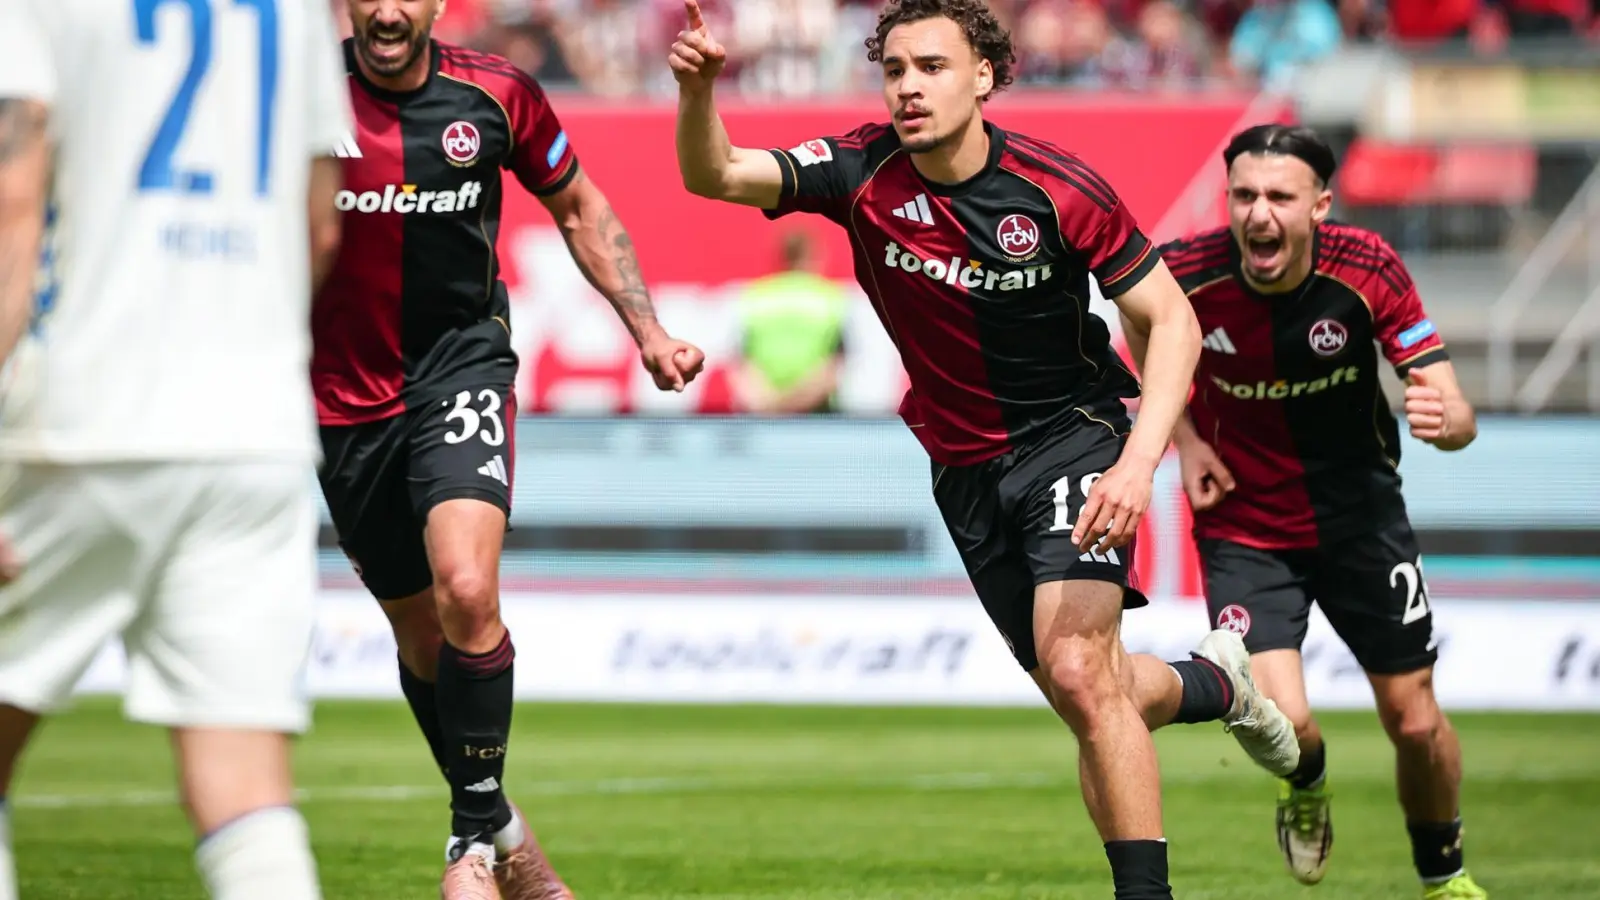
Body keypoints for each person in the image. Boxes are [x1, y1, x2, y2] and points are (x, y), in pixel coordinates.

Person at [669, 2, 1301, 897]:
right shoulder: (858, 170)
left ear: (984, 77)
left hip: (1074, 438)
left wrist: (1138, 461)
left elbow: (1173, 320)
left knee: (1081, 673)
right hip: (964, 469)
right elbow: (716, 173)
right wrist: (699, 91)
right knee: (1094, 692)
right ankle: (1217, 684)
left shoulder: (1057, 189)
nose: (908, 87)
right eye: (894, 69)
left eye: (931, 67)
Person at [317, 1, 706, 897]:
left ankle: (470, 844)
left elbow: (578, 205)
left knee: (465, 587)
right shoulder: (302, 96)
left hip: (460, 371)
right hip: (340, 402)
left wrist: (647, 330)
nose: (387, 9)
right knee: (422, 635)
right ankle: (505, 833)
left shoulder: (495, 95)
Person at [0, 0, 351, 897]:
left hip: (78, 416)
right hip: (254, 433)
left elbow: (11, 204)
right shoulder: (299, 11)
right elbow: (320, 225)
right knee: (245, 791)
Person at [1136, 124, 1487, 900]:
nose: (1259, 214)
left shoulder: (1367, 268)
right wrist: (1186, 440)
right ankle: (1306, 783)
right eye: (1244, 196)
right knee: (1281, 721)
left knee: (1415, 720)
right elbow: (1140, 328)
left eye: (1279, 197)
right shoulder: (1185, 274)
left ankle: (1445, 878)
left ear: (1320, 206)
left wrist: (1450, 422)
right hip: (1245, 529)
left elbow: (1452, 406)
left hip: (1363, 522)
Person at [732, 229, 849, 415]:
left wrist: (770, 405)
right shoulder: (831, 298)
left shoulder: (756, 296)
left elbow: (742, 364)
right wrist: (794, 402)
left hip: (765, 415)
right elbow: (833, 367)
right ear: (813, 256)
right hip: (816, 416)